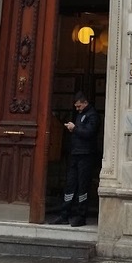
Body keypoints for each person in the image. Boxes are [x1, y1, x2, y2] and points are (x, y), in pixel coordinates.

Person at [52, 92, 99, 227]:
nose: (77, 109)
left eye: (79, 106)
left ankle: (81, 216)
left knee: (82, 185)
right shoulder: (79, 115)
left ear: (85, 103)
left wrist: (75, 128)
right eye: (76, 106)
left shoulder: (93, 115)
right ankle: (64, 214)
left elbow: (89, 133)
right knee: (70, 184)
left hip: (86, 155)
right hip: (75, 154)